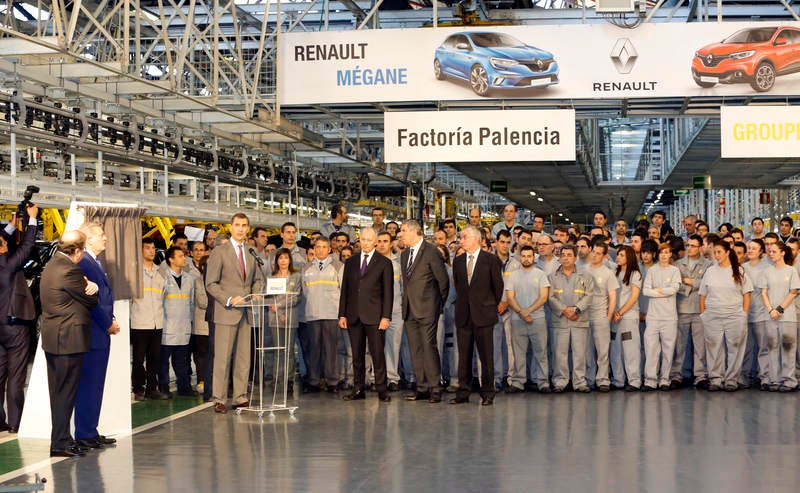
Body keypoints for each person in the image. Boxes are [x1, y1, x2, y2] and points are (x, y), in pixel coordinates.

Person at [40, 230, 99, 457]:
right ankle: (61, 443)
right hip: (68, 340)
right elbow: (90, 300)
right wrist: (93, 287)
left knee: (58, 393)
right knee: (65, 393)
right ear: (76, 251)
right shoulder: (70, 270)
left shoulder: (52, 265)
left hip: (55, 339)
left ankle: (62, 439)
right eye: (82, 250)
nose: (82, 255)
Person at [205, 213, 263, 414]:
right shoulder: (219, 252)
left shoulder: (251, 251)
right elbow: (210, 283)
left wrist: (255, 293)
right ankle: (219, 398)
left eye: (244, 225)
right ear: (230, 228)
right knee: (222, 357)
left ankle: (240, 397)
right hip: (226, 312)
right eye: (237, 225)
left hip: (246, 312)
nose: (240, 229)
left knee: (243, 357)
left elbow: (257, 278)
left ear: (248, 228)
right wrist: (229, 299)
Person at [75, 223, 120, 449]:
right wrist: (108, 323)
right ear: (89, 239)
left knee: (96, 385)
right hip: (93, 332)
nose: (105, 238)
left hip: (99, 333)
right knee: (89, 385)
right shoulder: (84, 262)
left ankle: (90, 431)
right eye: (101, 235)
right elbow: (91, 302)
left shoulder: (94, 262)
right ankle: (84, 432)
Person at [338, 228, 393, 402]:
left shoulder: (384, 263)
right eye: (363, 239)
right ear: (359, 241)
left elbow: (388, 293)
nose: (366, 243)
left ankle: (382, 390)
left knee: (378, 355)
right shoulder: (351, 262)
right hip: (353, 316)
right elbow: (345, 290)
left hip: (375, 317)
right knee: (357, 356)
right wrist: (342, 314)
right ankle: (358, 389)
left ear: (375, 241)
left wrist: (386, 317)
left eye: (370, 240)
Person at [451, 226, 504, 406]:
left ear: (476, 239)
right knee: (463, 356)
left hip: (484, 315)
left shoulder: (491, 260)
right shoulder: (457, 262)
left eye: (464, 237)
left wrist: (487, 304)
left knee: (486, 356)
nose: (461, 240)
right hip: (464, 315)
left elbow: (498, 288)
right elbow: (458, 286)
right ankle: (463, 392)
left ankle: (488, 392)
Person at [399, 220, 449, 403]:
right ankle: (422, 387)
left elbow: (443, 282)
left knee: (429, 348)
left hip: (428, 310)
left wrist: (436, 307)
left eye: (403, 231)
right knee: (415, 349)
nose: (400, 234)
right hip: (410, 310)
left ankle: (435, 387)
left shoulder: (431, 252)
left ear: (414, 232)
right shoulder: (404, 255)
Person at [0, 204, 38, 433]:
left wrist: (12, 226)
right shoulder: (8, 267)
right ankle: (15, 422)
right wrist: (32, 220)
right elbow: (27, 246)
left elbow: (5, 240)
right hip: (14, 327)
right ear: (3, 250)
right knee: (16, 375)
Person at [699, 240, 753, 392]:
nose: (716, 255)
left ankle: (731, 380)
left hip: (735, 316)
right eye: (714, 252)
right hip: (712, 316)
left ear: (728, 252)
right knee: (713, 348)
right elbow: (702, 295)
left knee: (735, 348)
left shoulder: (739, 271)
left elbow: (747, 295)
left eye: (719, 252)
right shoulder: (710, 271)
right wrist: (704, 314)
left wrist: (744, 314)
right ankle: (715, 379)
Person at [548, 244, 595, 393]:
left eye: (569, 255)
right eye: (563, 255)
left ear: (575, 257)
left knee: (580, 353)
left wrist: (576, 309)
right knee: (559, 353)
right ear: (559, 257)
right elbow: (550, 297)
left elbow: (589, 295)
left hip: (579, 319)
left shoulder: (586, 276)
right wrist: (564, 310)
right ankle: (560, 382)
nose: (566, 258)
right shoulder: (552, 277)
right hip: (560, 320)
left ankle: (580, 382)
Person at [505, 245, 550, 393]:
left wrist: (528, 311)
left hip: (537, 320)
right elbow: (510, 298)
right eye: (523, 256)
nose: (526, 259)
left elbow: (544, 297)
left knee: (541, 352)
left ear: (534, 256)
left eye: (529, 256)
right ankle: (518, 382)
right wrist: (521, 312)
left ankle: (543, 382)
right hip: (517, 320)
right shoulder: (513, 275)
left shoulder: (541, 274)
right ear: (520, 257)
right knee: (518, 353)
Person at [300, 237, 343, 393]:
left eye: (324, 247)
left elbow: (344, 291)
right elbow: (304, 292)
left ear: (329, 249)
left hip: (332, 314)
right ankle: (314, 381)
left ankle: (332, 381)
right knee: (314, 350)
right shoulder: (306, 268)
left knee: (331, 350)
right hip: (312, 314)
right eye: (318, 247)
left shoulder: (338, 267)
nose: (320, 250)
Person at [130, 238, 168, 401]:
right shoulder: (134, 271)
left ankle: (152, 389)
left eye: (153, 248)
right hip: (140, 321)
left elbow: (163, 295)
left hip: (156, 322)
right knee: (139, 359)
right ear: (140, 251)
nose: (152, 251)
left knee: (154, 358)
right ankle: (138, 388)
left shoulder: (160, 271)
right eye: (147, 248)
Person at [760, 242, 800, 391]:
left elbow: (794, 291)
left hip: (787, 316)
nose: (771, 254)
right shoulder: (767, 271)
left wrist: (780, 309)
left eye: (774, 251)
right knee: (772, 347)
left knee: (788, 347)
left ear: (783, 253)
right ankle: (774, 380)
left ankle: (789, 380)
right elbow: (763, 292)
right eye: (769, 251)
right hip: (770, 316)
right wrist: (771, 310)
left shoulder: (791, 271)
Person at [672, 234, 710, 389]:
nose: (689, 248)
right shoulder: (678, 264)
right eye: (688, 245)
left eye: (693, 246)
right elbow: (676, 284)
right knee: (679, 344)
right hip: (682, 307)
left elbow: (707, 284)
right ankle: (676, 374)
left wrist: (688, 281)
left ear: (700, 247)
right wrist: (692, 286)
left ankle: (700, 375)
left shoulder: (708, 264)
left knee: (700, 345)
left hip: (700, 308)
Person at [641, 243, 680, 391]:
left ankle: (665, 379)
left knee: (668, 349)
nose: (664, 255)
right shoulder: (652, 270)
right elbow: (646, 291)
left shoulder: (675, 270)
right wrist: (664, 292)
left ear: (670, 255)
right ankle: (650, 380)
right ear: (658, 254)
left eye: (666, 252)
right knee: (651, 349)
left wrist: (657, 290)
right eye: (661, 252)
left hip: (669, 317)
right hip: (653, 316)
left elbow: (675, 289)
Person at [159, 246, 196, 397]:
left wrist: (190, 321)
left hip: (184, 325)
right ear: (171, 259)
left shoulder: (189, 279)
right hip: (167, 325)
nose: (184, 258)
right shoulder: (162, 277)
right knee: (163, 361)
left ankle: (184, 387)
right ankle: (163, 387)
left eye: (184, 256)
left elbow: (192, 303)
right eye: (180, 256)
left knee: (182, 360)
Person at [267, 248, 302, 396]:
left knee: (288, 352)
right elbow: (268, 297)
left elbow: (296, 297)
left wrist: (281, 308)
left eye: (286, 258)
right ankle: (277, 380)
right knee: (278, 351)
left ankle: (288, 381)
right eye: (280, 258)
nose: (283, 261)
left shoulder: (296, 276)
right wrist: (279, 312)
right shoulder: (271, 277)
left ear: (290, 260)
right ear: (276, 261)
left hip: (290, 318)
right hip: (275, 318)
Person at [584, 242, 618, 392]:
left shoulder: (608, 273)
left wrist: (609, 316)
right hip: (584, 316)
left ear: (605, 256)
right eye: (593, 252)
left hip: (601, 316)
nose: (594, 255)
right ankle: (589, 378)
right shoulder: (582, 270)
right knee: (586, 350)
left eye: (598, 253)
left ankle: (603, 379)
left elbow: (613, 296)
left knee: (603, 351)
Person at [610, 245, 642, 391]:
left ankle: (634, 380)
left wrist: (620, 313)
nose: (618, 257)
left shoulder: (635, 274)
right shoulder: (614, 273)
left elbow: (634, 297)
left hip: (628, 317)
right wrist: (613, 313)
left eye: (622, 255)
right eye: (618, 255)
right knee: (615, 349)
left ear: (629, 257)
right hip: (614, 317)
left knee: (631, 349)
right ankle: (618, 380)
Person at [743, 239, 769, 389]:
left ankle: (765, 376)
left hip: (762, 313)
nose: (750, 250)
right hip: (746, 312)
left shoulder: (767, 267)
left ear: (761, 251)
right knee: (746, 347)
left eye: (754, 248)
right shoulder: (742, 268)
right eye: (749, 248)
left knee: (763, 347)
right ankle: (745, 376)